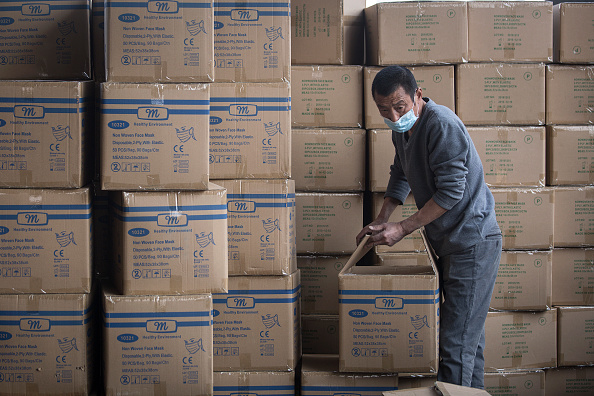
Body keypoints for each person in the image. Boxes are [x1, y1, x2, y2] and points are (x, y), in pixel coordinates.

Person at [356, 65, 502, 389]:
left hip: (472, 241)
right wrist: (382, 220)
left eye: (400, 107)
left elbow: (452, 192)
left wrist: (402, 228)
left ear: (417, 95)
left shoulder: (441, 125)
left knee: (455, 346)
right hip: (447, 242)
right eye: (384, 110)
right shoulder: (401, 129)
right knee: (467, 343)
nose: (393, 116)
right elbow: (400, 173)